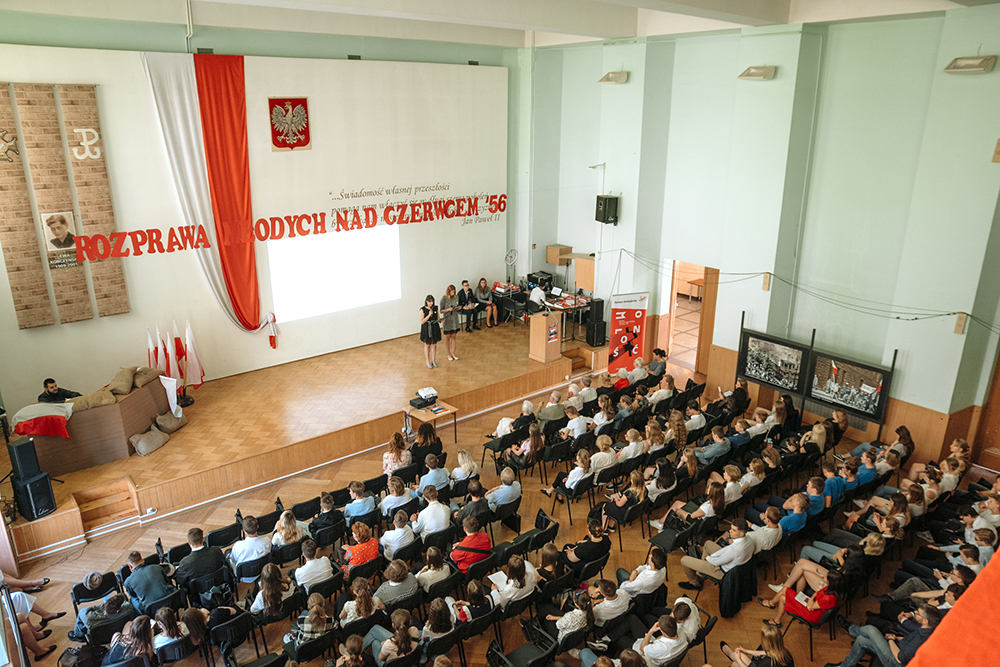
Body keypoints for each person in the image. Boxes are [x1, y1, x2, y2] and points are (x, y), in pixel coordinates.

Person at [825, 603, 940, 667]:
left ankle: (851, 630)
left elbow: (900, 658)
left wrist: (890, 640)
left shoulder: (923, 637)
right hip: (897, 649)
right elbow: (909, 642)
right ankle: (845, 665)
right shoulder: (926, 630)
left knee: (871, 630)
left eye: (918, 614)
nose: (914, 614)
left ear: (926, 621)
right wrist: (896, 638)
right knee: (861, 640)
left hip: (894, 662)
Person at [757, 569, 850, 628]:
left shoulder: (828, 598)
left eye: (827, 577)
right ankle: (776, 620)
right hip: (812, 604)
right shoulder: (834, 589)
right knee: (782, 598)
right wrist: (811, 598)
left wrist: (810, 601)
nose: (824, 577)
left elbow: (811, 607)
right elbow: (818, 592)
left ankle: (772, 604)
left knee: (785, 590)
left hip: (812, 614)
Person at [678, 519, 754, 591]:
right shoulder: (749, 539)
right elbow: (725, 550)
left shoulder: (733, 550)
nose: (730, 531)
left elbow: (716, 562)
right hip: (732, 565)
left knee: (684, 560)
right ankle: (700, 573)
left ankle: (694, 584)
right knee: (708, 544)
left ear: (742, 534)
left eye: (733, 530)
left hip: (721, 572)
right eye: (731, 528)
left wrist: (708, 558)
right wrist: (711, 557)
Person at [719, 623, 794, 667]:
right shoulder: (784, 652)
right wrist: (746, 651)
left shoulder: (767, 662)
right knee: (737, 661)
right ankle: (730, 653)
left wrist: (738, 659)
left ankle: (730, 653)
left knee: (736, 663)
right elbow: (766, 652)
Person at [228, 515, 272, 582]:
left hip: (243, 576)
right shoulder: (267, 541)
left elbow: (233, 560)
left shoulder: (238, 546)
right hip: (263, 571)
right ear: (257, 527)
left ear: (244, 530)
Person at [439, 284, 461, 361]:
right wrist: (448, 309)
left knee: (454, 336)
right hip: (447, 319)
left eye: (454, 292)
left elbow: (457, 305)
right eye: (451, 292)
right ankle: (448, 354)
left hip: (454, 319)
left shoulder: (456, 297)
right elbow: (441, 310)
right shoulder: (444, 299)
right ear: (448, 292)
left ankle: (453, 353)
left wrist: (458, 308)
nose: (453, 293)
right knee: (448, 337)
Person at [420, 294, 442, 368]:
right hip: (427, 328)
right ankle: (428, 361)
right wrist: (429, 315)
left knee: (434, 345)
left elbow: (438, 318)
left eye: (432, 301)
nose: (431, 303)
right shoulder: (422, 310)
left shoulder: (435, 308)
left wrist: (441, 320)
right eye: (429, 302)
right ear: (426, 301)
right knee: (427, 345)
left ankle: (434, 360)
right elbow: (422, 321)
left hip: (434, 327)